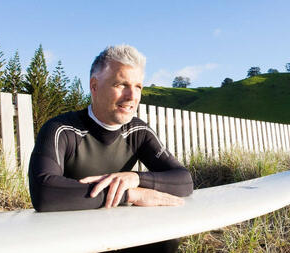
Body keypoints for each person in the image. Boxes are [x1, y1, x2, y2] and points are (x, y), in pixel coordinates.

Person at [28, 45, 193, 252]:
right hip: (72, 239)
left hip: (118, 233)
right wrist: (130, 195)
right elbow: (44, 192)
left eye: (138, 86)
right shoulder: (61, 129)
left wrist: (135, 179)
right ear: (94, 86)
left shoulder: (138, 131)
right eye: (121, 84)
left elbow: (184, 180)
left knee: (166, 238)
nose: (132, 96)